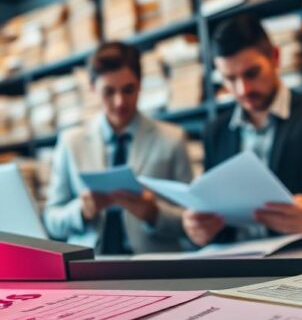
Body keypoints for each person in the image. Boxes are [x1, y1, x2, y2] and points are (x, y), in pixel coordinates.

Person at [183, 15, 302, 247]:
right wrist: (198, 229)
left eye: (252, 73)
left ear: (275, 57)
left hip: (299, 259)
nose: (242, 89)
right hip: (234, 263)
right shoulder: (214, 131)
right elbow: (211, 205)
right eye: (230, 79)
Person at [44, 42, 193, 254]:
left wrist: (154, 214)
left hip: (154, 264)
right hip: (89, 267)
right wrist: (81, 211)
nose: (120, 102)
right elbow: (51, 220)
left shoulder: (172, 139)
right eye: (109, 92)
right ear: (93, 88)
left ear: (140, 84)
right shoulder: (71, 142)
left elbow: (193, 221)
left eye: (128, 90)